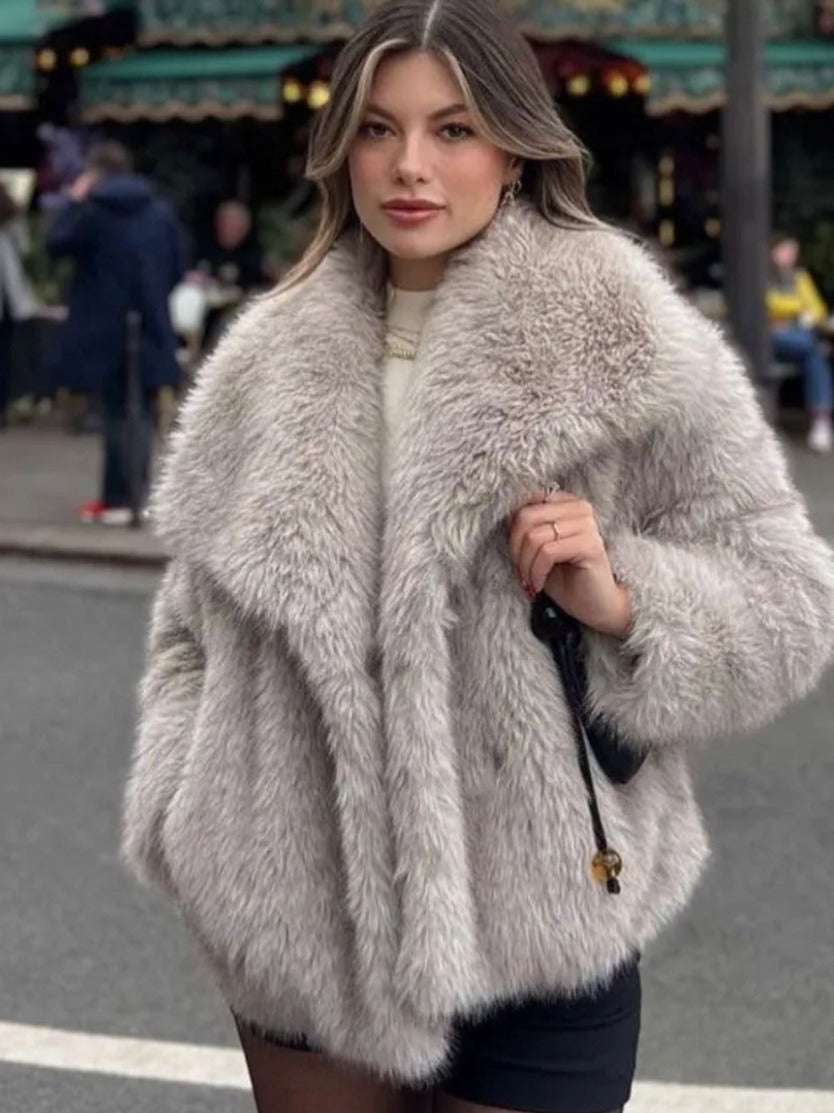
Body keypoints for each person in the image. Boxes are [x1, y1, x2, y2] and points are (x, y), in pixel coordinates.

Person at [122, 3, 834, 1112]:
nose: (410, 164)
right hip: (300, 919)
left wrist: (627, 596)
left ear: (513, 146)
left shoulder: (625, 339)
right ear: (342, 148)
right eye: (378, 128)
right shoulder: (266, 359)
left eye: (453, 129)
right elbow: (191, 626)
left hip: (547, 917)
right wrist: (189, 815)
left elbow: (789, 601)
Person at [46, 141, 185, 524]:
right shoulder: (160, 211)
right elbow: (176, 266)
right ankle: (134, 495)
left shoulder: (92, 212)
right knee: (141, 410)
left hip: (101, 328)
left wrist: (73, 201)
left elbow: (55, 244)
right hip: (150, 322)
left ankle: (119, 498)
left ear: (95, 173)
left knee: (115, 412)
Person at [767, 232, 834, 453]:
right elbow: (769, 303)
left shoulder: (799, 276)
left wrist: (799, 312)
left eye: (793, 251)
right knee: (817, 347)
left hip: (799, 337)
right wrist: (798, 308)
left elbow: (818, 309)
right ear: (773, 251)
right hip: (769, 338)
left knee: (815, 353)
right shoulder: (762, 275)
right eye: (786, 250)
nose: (791, 255)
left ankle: (821, 419)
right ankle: (821, 420)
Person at [0, 182, 37, 429]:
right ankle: (2, 407)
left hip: (9, 300)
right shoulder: (12, 223)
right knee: (5, 357)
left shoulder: (12, 225)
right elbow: (25, 250)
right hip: (10, 301)